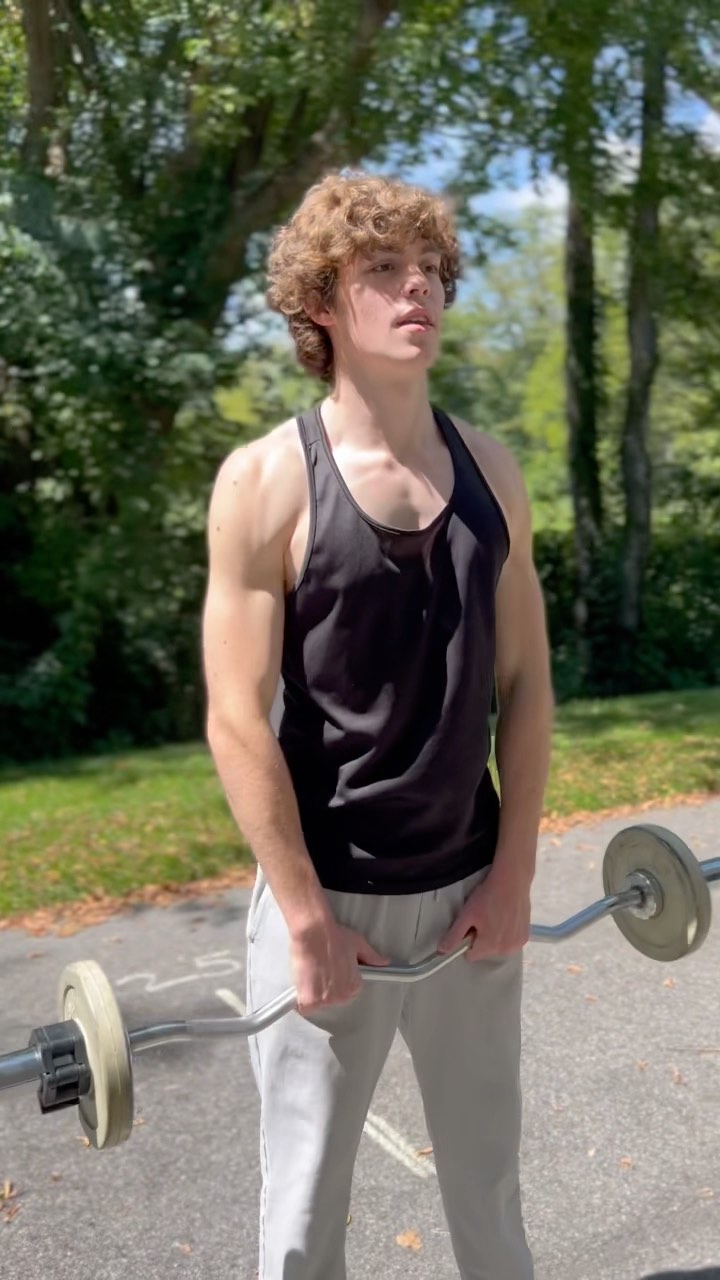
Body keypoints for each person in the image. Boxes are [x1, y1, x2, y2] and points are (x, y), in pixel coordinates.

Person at [202, 171, 554, 1280]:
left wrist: (513, 874)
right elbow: (233, 718)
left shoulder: (492, 470)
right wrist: (305, 915)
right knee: (303, 1220)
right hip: (326, 900)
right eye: (385, 270)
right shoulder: (265, 481)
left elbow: (528, 684)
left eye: (431, 270)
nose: (419, 290)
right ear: (321, 302)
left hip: (468, 895)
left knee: (489, 1195)